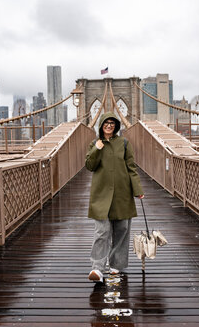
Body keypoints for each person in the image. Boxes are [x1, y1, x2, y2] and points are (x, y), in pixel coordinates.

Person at [85, 112, 144, 283]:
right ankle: (97, 267)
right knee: (101, 232)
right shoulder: (94, 144)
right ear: (101, 125)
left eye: (112, 123)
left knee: (122, 231)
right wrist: (97, 149)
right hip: (101, 195)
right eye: (106, 123)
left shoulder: (124, 143)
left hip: (122, 193)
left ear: (116, 126)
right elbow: (89, 166)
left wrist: (137, 189)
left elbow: (131, 168)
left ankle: (116, 265)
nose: (109, 125)